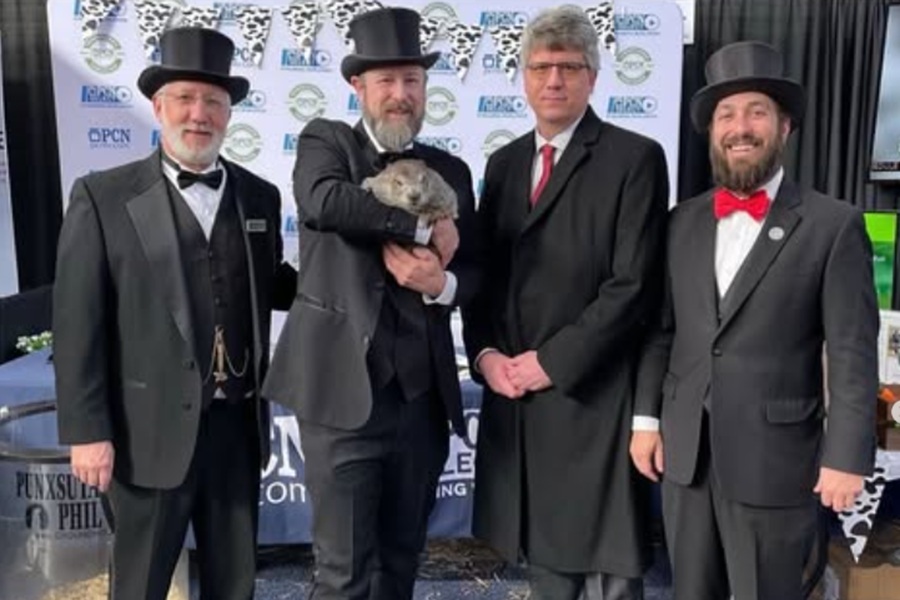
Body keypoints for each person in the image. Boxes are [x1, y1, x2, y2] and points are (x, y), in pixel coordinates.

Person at [53, 27, 295, 600]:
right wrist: (88, 432)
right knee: (139, 585)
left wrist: (353, 270)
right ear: (159, 106)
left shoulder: (260, 197)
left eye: (213, 101)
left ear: (229, 112)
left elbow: (278, 283)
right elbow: (77, 321)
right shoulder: (102, 196)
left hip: (236, 430)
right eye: (185, 99)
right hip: (146, 434)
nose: (199, 114)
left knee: (234, 584)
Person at [630, 41, 878, 600]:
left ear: (785, 126)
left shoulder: (833, 226)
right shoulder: (680, 223)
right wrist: (646, 419)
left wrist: (845, 456)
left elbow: (852, 352)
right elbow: (662, 332)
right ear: (711, 131)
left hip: (776, 462)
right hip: (686, 457)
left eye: (756, 112)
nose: (740, 127)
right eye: (726, 114)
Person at [262, 7, 480, 600]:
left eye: (412, 80)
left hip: (421, 406)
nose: (400, 94)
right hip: (340, 402)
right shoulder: (325, 143)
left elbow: (479, 270)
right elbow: (326, 204)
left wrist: (444, 285)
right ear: (358, 86)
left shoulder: (453, 170)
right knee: (343, 574)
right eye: (386, 81)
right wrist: (420, 229)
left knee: (401, 563)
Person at [462, 6, 669, 600]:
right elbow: (482, 274)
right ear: (524, 78)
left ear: (593, 78)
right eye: (541, 66)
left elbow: (633, 286)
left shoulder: (635, 157)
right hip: (519, 401)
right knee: (548, 575)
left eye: (569, 67)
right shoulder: (501, 165)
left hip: (592, 400)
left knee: (610, 577)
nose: (554, 79)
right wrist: (487, 354)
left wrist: (549, 361)